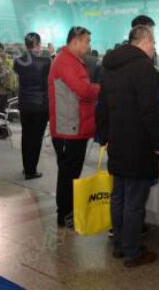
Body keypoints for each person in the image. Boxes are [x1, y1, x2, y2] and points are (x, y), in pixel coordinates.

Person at [97, 25, 159, 268]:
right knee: (134, 201)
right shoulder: (143, 67)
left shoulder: (110, 66)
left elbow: (102, 105)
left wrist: (103, 136)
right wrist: (158, 143)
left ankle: (119, 245)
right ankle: (132, 251)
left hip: (117, 141)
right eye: (153, 44)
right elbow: (149, 110)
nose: (153, 48)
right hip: (139, 144)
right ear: (145, 41)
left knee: (119, 195)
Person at [48, 26, 100, 228]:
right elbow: (83, 90)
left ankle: (68, 211)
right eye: (87, 41)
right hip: (68, 129)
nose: (89, 45)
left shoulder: (73, 61)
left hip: (74, 127)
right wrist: (101, 89)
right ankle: (64, 214)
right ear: (75, 41)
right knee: (68, 175)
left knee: (71, 173)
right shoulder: (66, 61)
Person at [15, 32, 51, 180]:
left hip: (24, 104)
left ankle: (26, 167)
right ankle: (31, 170)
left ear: (26, 44)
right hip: (41, 105)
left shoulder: (18, 61)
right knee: (36, 138)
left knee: (26, 136)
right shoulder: (46, 61)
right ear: (39, 44)